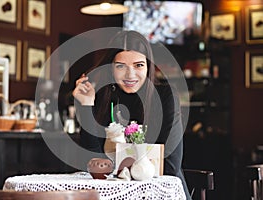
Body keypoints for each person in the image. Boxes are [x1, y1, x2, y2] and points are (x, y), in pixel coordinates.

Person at [72, 30, 191, 199]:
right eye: (121, 66)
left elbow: (170, 166)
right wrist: (86, 105)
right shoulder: (102, 97)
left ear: (148, 66)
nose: (130, 75)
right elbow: (94, 163)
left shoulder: (165, 97)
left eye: (138, 65)